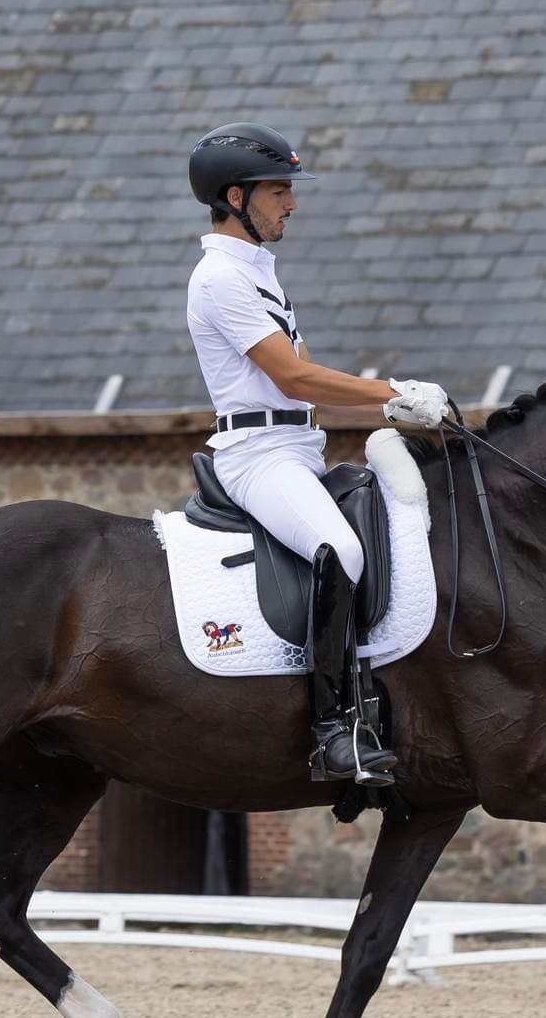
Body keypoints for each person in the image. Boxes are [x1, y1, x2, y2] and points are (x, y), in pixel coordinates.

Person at [185, 122, 451, 786]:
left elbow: (308, 382)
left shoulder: (260, 275)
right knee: (344, 549)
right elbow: (295, 379)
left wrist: (396, 410)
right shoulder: (219, 279)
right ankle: (334, 729)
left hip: (297, 444)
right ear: (237, 196)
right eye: (280, 192)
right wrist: (394, 391)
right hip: (256, 454)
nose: (292, 205)